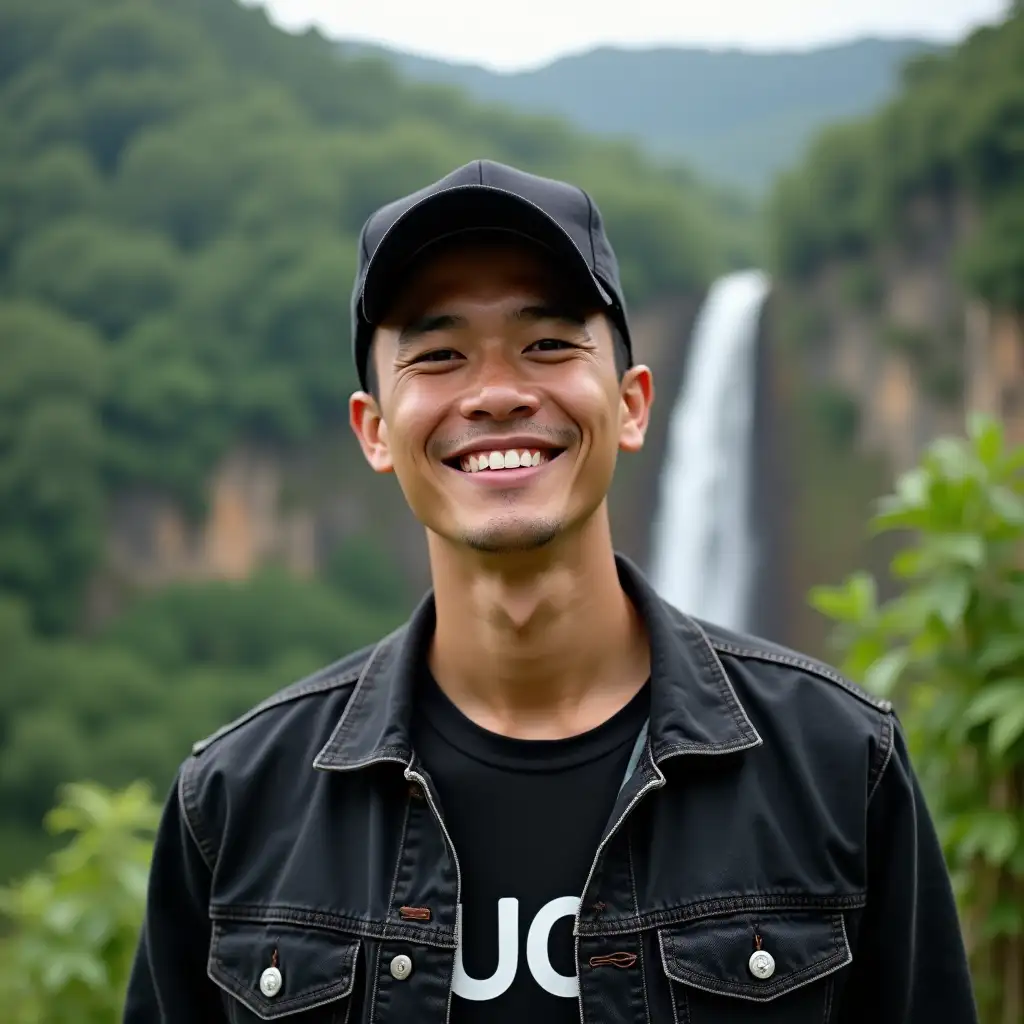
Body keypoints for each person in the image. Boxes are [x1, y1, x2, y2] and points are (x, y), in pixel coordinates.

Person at [124, 159, 978, 1024]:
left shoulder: (838, 764)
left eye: (548, 345)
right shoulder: (235, 803)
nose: (496, 393)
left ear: (633, 404)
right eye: (440, 355)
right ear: (374, 430)